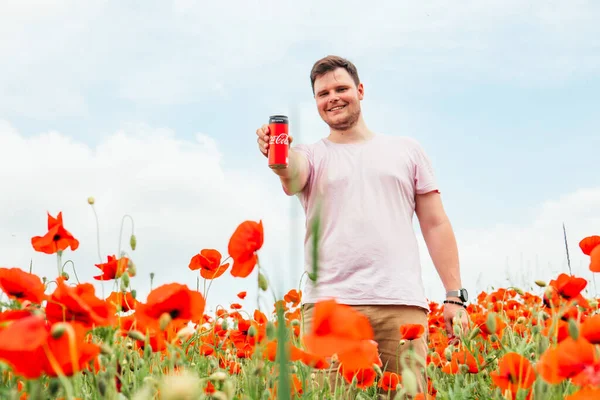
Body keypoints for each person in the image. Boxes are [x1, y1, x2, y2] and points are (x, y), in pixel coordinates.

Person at [255, 55, 469, 397]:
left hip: (400, 304)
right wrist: (277, 157)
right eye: (323, 93)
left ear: (360, 90)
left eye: (341, 88)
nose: (333, 98)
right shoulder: (311, 155)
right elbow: (292, 173)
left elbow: (435, 222)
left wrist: (454, 296)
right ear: (316, 103)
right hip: (330, 308)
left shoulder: (406, 150)